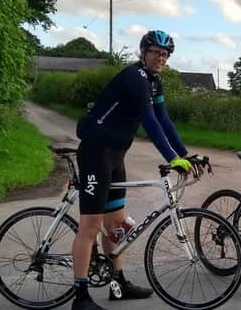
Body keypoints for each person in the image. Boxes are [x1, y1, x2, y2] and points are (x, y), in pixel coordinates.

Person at [71, 30, 206, 310]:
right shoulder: (136, 77)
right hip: (96, 152)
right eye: (156, 52)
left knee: (115, 225)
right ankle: (80, 297)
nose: (161, 58)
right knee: (91, 226)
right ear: (143, 52)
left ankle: (117, 282)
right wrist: (170, 157)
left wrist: (185, 155)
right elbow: (148, 121)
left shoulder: (155, 82)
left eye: (166, 54)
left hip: (116, 155)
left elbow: (163, 119)